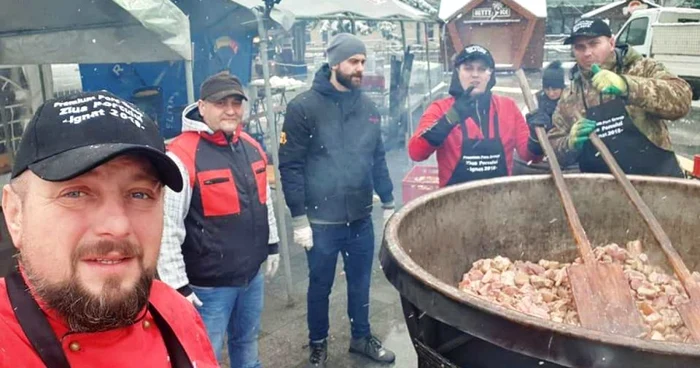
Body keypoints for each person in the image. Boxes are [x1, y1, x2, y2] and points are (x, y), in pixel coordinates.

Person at [0, 91, 218, 367]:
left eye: (140, 195)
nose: (118, 226)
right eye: (76, 194)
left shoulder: (176, 311)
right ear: (15, 214)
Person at [279, 33, 396, 368]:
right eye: (353, 62)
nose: (360, 68)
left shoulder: (369, 108)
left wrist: (388, 203)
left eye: (362, 61)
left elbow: (378, 158)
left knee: (361, 283)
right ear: (334, 63)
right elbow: (291, 166)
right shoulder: (303, 108)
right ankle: (318, 344)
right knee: (319, 287)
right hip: (321, 222)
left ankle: (361, 337)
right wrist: (299, 218)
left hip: (360, 218)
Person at [157, 72, 280, 367]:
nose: (230, 110)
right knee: (203, 356)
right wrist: (177, 287)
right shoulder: (181, 154)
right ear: (202, 106)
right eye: (220, 103)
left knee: (246, 344)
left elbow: (266, 199)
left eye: (236, 103)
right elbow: (166, 227)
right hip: (208, 287)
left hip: (251, 277)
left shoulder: (251, 146)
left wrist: (272, 243)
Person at [542, 18, 692, 177]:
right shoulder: (570, 96)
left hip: (658, 184)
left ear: (611, 43)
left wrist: (627, 86)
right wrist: (569, 144)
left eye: (594, 43)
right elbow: (554, 153)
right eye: (580, 47)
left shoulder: (641, 68)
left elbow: (682, 99)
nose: (587, 53)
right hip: (604, 191)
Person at [408, 44, 541, 187]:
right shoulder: (440, 109)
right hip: (452, 204)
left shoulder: (508, 107)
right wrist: (451, 118)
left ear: (490, 75)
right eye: (468, 68)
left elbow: (530, 157)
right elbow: (416, 153)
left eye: (482, 69)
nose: (475, 75)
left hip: (500, 202)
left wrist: (536, 136)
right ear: (457, 72)